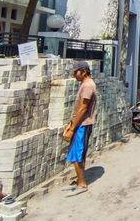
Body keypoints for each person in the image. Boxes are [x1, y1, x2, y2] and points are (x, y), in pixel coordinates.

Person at [62, 61, 98, 197]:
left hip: (83, 124)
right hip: (80, 123)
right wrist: (71, 123)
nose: (74, 75)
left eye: (76, 72)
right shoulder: (85, 84)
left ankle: (82, 183)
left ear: (83, 71)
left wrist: (72, 128)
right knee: (77, 152)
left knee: (78, 153)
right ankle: (79, 180)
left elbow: (83, 109)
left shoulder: (88, 85)